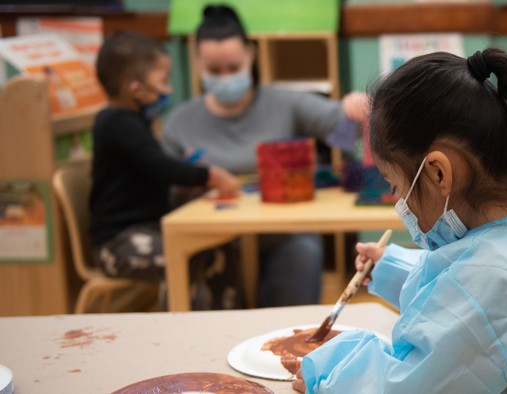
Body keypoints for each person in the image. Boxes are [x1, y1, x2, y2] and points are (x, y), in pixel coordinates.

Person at [293, 49, 507, 393]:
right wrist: (389, 266)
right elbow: (458, 292)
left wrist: (328, 372)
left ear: (437, 173)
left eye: (396, 186)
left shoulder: (494, 280)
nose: (399, 203)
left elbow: (405, 386)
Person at [161, 5, 369, 307]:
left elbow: (342, 122)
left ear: (250, 54)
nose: (225, 77)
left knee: (303, 250)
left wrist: (357, 108)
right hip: (210, 239)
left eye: (233, 68)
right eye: (214, 71)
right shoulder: (178, 123)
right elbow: (164, 193)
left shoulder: (285, 103)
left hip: (279, 235)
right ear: (197, 62)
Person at [90, 31, 244, 310]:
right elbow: (160, 167)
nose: (169, 90)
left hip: (152, 230)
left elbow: (150, 173)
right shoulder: (116, 124)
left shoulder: (134, 123)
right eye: (162, 81)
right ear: (135, 89)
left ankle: (223, 322)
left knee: (217, 251)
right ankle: (179, 334)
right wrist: (209, 175)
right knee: (181, 259)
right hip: (118, 244)